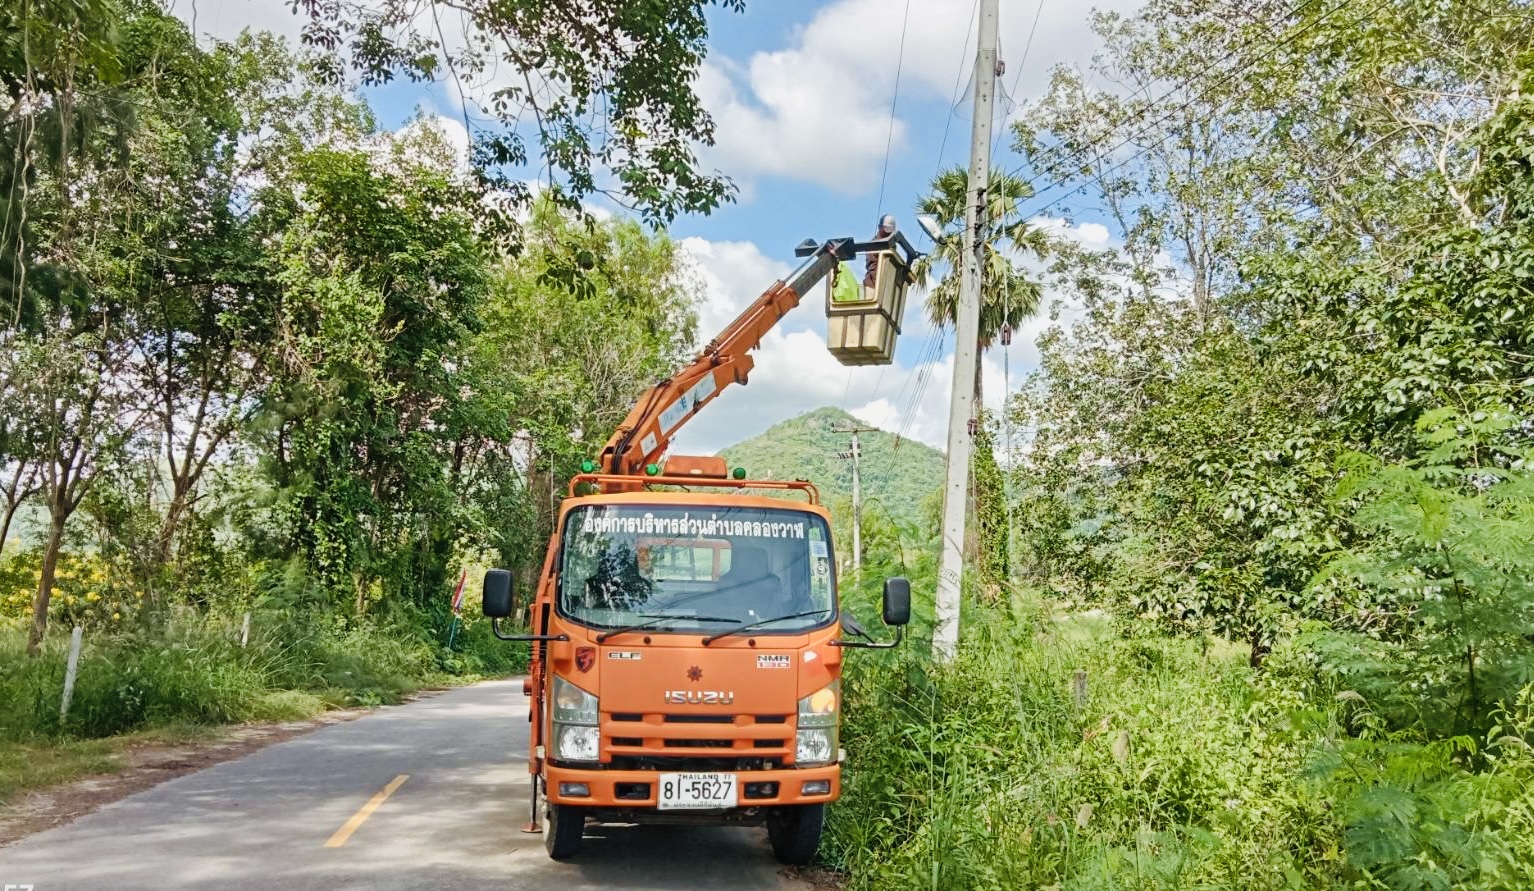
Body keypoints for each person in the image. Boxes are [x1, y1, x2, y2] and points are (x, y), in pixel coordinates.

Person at [864, 214, 897, 291]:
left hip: (887, 284)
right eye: (885, 229)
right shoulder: (873, 244)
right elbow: (873, 266)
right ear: (880, 227)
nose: (887, 233)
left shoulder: (891, 245)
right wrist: (880, 284)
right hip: (872, 285)